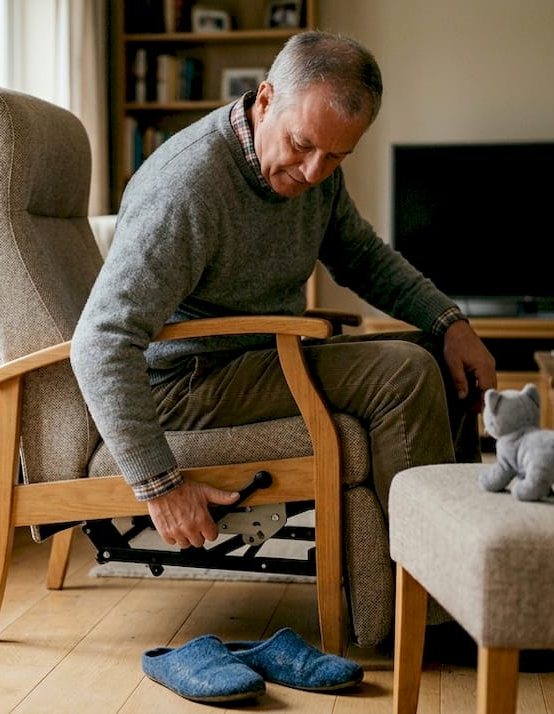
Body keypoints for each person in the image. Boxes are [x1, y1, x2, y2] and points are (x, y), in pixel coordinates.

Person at [71, 31, 495, 554]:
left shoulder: (314, 169)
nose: (314, 172)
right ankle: (428, 594)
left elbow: (363, 259)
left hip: (262, 357)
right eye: (302, 145)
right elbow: (101, 341)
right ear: (266, 99)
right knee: (403, 374)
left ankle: (461, 565)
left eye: (336, 156)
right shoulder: (187, 188)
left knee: (439, 358)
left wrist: (450, 323)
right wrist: (159, 486)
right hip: (186, 382)